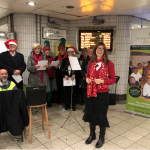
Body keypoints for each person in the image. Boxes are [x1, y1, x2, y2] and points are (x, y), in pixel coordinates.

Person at [83, 42, 116, 148]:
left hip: (102, 94)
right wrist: (87, 78)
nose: (99, 50)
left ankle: (102, 136)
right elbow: (87, 75)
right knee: (91, 113)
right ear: (95, 50)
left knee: (101, 115)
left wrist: (102, 81)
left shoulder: (109, 63)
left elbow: (113, 79)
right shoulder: (90, 62)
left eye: (101, 48)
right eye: (97, 48)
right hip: (90, 92)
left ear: (104, 51)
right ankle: (92, 134)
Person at [27, 43, 50, 114]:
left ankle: (43, 107)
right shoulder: (30, 57)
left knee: (42, 92)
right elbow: (28, 68)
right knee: (34, 93)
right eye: (35, 48)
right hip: (34, 77)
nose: (37, 50)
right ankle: (34, 108)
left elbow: (47, 68)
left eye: (38, 48)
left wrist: (47, 67)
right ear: (33, 49)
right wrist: (34, 67)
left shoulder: (43, 56)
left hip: (43, 76)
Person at [61, 47, 80, 111]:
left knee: (74, 91)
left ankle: (73, 104)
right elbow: (61, 70)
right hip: (67, 78)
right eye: (69, 52)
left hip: (73, 78)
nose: (70, 53)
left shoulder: (76, 60)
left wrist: (75, 74)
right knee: (67, 91)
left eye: (72, 52)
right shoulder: (64, 60)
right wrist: (64, 75)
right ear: (67, 53)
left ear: (73, 52)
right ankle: (67, 104)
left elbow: (78, 70)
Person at [55, 38, 68, 104]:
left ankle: (64, 101)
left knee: (65, 89)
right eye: (60, 50)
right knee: (59, 88)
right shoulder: (56, 58)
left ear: (64, 50)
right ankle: (59, 100)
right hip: (59, 75)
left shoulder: (67, 57)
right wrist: (56, 67)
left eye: (62, 50)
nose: (61, 51)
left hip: (66, 75)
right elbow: (54, 67)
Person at [43, 40, 55, 107]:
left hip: (51, 76)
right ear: (44, 52)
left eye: (48, 51)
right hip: (44, 77)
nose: (47, 52)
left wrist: (56, 67)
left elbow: (54, 68)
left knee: (50, 90)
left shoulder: (52, 58)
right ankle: (44, 101)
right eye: (46, 51)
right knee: (44, 89)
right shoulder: (41, 58)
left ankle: (49, 101)